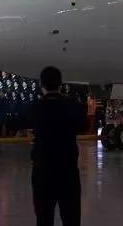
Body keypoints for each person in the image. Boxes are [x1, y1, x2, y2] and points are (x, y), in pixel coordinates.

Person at [29, 66, 86, 226]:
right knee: (71, 219)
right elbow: (83, 125)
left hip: (43, 172)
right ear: (60, 84)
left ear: (41, 85)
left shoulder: (36, 107)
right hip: (68, 171)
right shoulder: (71, 105)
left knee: (44, 218)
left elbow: (19, 123)